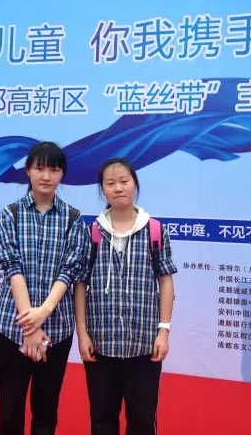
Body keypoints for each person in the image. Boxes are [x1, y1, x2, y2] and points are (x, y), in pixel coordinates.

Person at [0, 141, 90, 435]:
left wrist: (44, 312)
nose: (46, 176)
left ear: (62, 174)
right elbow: (13, 268)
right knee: (10, 412)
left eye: (54, 170)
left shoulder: (74, 219)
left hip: (57, 329)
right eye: (40, 168)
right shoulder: (10, 214)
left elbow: (69, 271)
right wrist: (30, 327)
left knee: (46, 413)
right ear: (28, 171)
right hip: (10, 327)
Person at [74, 158, 177, 435]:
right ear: (102, 190)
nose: (118, 188)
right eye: (110, 183)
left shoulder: (154, 231)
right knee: (102, 420)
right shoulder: (92, 233)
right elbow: (80, 285)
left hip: (144, 346)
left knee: (142, 420)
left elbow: (166, 282)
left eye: (124, 181)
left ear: (135, 184)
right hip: (100, 345)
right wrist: (83, 334)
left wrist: (163, 331)